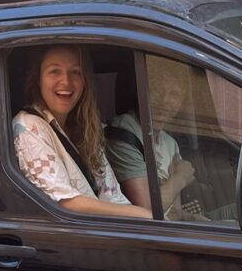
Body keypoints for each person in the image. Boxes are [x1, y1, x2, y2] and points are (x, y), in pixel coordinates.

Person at [13, 45, 151, 219]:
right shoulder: (28, 126)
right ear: (38, 80)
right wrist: (145, 215)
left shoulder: (84, 130)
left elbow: (112, 195)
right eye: (54, 71)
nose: (66, 81)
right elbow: (66, 203)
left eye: (76, 72)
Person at [106, 60, 200, 221]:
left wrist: (195, 219)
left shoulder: (170, 143)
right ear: (142, 91)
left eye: (174, 95)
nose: (165, 101)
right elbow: (148, 209)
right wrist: (181, 177)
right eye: (157, 90)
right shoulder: (123, 132)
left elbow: (174, 212)